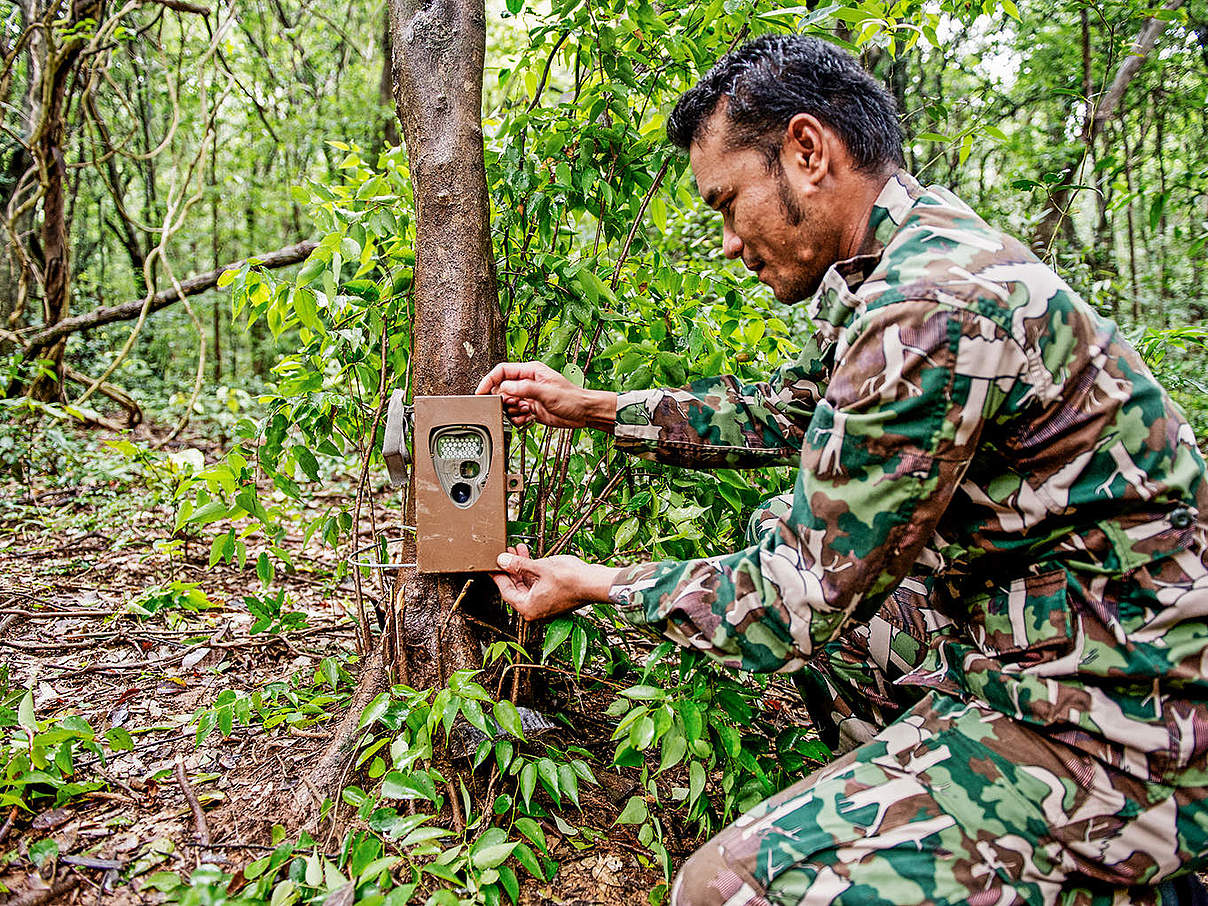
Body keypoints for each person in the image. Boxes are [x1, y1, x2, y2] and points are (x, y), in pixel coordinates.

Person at [475, 34, 1208, 906]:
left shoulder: (928, 305)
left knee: (719, 890)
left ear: (807, 151)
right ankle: (926, 831)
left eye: (726, 203)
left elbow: (795, 603)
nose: (727, 241)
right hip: (1056, 640)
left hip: (1132, 724)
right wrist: (592, 406)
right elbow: (790, 413)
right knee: (827, 586)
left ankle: (1101, 861)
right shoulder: (904, 261)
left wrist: (593, 584)